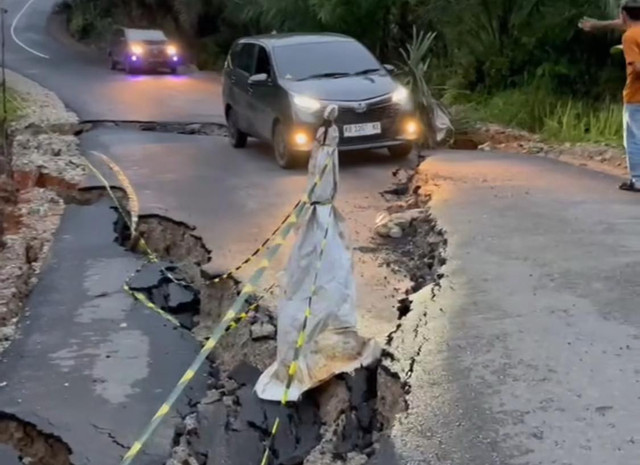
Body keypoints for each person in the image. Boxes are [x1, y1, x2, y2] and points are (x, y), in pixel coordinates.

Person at [580, 1, 640, 191]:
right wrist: (597, 25)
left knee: (634, 139)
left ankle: (638, 180)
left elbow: (637, 67)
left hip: (636, 96)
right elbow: (623, 22)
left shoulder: (629, 37)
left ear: (623, 14)